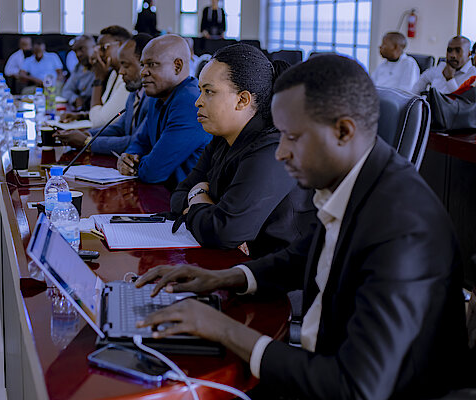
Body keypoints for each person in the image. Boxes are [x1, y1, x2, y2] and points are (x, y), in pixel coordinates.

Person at [135, 54, 469, 399]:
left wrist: (224, 329)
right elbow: (305, 254)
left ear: (343, 132)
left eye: (292, 137)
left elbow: (356, 387)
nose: (280, 153)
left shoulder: (402, 229)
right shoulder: (360, 180)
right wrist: (225, 277)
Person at [170, 44, 315, 258]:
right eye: (200, 91)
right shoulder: (222, 138)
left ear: (242, 100)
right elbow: (178, 196)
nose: (198, 102)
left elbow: (225, 232)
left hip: (279, 270)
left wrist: (198, 197)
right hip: (237, 261)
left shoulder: (273, 149)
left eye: (209, 91)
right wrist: (204, 207)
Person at [117, 35, 212, 187]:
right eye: (142, 65)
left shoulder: (190, 102)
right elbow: (140, 142)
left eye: (152, 64)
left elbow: (153, 172)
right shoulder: (157, 96)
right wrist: (128, 158)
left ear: (177, 66)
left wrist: (137, 165)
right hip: (161, 191)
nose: (143, 72)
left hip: (185, 197)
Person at [55, 34, 153, 155]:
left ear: (144, 65)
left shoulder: (152, 98)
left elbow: (136, 142)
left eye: (126, 66)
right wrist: (88, 134)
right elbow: (120, 127)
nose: (121, 72)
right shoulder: (135, 91)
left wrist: (87, 142)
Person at [60, 26, 131, 129]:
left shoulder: (127, 78)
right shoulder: (114, 74)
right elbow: (103, 110)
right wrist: (80, 115)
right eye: (98, 49)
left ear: (121, 46)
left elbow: (99, 122)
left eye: (103, 48)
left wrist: (98, 79)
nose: (99, 54)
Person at [60, 35, 95, 111]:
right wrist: (75, 98)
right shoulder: (79, 68)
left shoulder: (102, 68)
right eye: (75, 51)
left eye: (81, 49)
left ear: (94, 47)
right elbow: (66, 90)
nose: (78, 54)